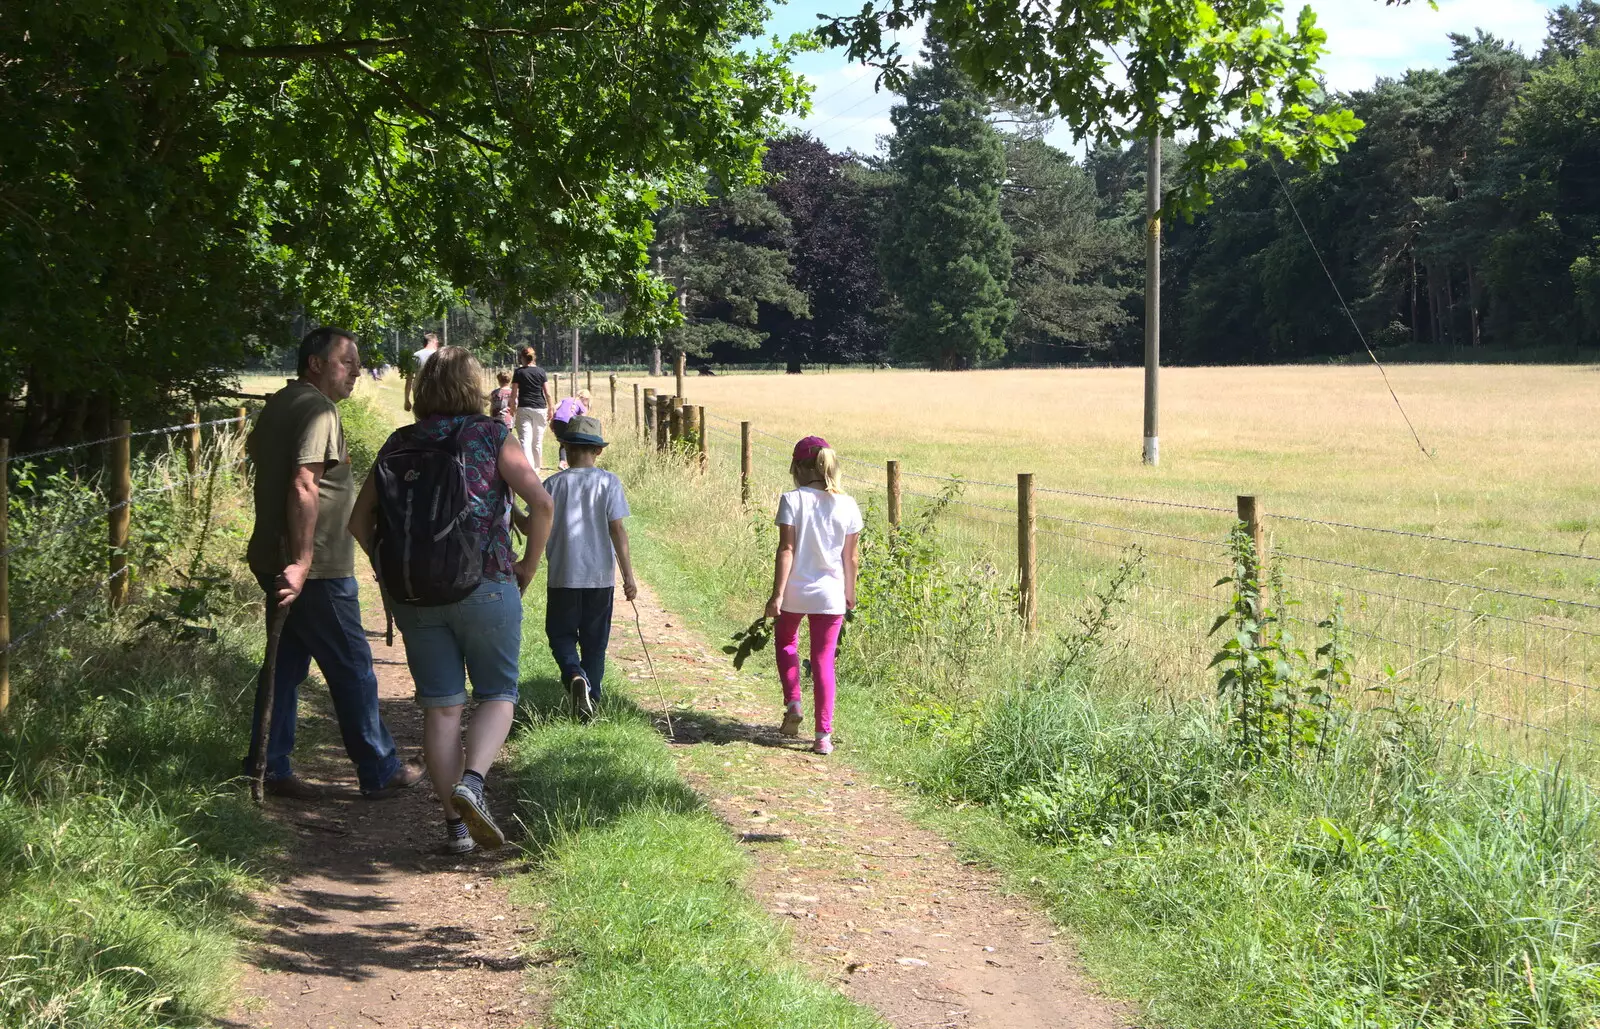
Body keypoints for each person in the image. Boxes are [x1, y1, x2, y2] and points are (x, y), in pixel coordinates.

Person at [349, 346, 554, 853]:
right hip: (486, 583)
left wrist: (388, 570)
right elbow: (542, 503)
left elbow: (359, 521)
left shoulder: (398, 442)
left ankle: (455, 828)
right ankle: (475, 782)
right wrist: (527, 566)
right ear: (472, 386)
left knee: (441, 711)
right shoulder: (490, 435)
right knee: (497, 694)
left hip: (414, 596)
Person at [245, 327, 424, 799]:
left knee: (284, 666)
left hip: (271, 556)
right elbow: (304, 484)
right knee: (353, 666)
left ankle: (268, 764)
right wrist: (303, 562)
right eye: (347, 362)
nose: (358, 371)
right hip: (316, 570)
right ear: (316, 364)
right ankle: (379, 769)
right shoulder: (320, 411)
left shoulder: (280, 405)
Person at [764, 436, 861, 755]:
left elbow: (786, 549)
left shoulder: (792, 500)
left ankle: (793, 703)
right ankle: (823, 736)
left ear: (800, 468)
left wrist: (777, 594)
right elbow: (851, 558)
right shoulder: (847, 504)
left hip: (795, 591)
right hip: (830, 594)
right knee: (823, 661)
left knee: (786, 643)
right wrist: (849, 593)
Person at [542, 415, 637, 721]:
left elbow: (533, 528)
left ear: (565, 448)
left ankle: (573, 675)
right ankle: (591, 699)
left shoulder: (552, 485)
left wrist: (511, 509)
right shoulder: (609, 482)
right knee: (595, 643)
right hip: (600, 579)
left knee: (560, 634)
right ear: (597, 451)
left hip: (562, 576)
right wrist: (629, 577)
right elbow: (618, 531)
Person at [510, 346, 552, 468]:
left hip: (524, 408)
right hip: (540, 408)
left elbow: (513, 394)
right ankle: (537, 467)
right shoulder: (541, 372)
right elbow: (547, 393)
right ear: (534, 358)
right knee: (537, 441)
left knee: (525, 440)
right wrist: (551, 408)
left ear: (522, 358)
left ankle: (529, 468)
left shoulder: (519, 372)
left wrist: (512, 408)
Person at [548, 389, 591, 469]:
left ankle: (563, 462)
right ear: (586, 399)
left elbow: (554, 408)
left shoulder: (566, 399)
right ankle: (573, 463)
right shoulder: (581, 406)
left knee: (563, 443)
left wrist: (552, 421)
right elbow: (582, 420)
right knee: (570, 443)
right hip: (568, 423)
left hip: (557, 422)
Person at [402, 331, 441, 413]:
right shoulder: (440, 356)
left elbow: (409, 380)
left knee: (421, 421)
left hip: (419, 394)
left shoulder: (416, 356)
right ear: (434, 342)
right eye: (437, 343)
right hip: (437, 396)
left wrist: (406, 400)